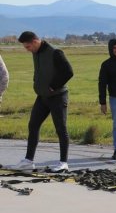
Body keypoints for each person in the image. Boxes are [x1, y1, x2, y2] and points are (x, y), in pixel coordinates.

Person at [13, 31, 74, 172]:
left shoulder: (55, 52)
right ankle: (28, 160)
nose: (27, 50)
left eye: (28, 47)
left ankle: (63, 162)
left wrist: (53, 86)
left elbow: (69, 72)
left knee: (61, 128)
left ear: (35, 41)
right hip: (42, 97)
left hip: (58, 96)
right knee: (33, 125)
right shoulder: (36, 52)